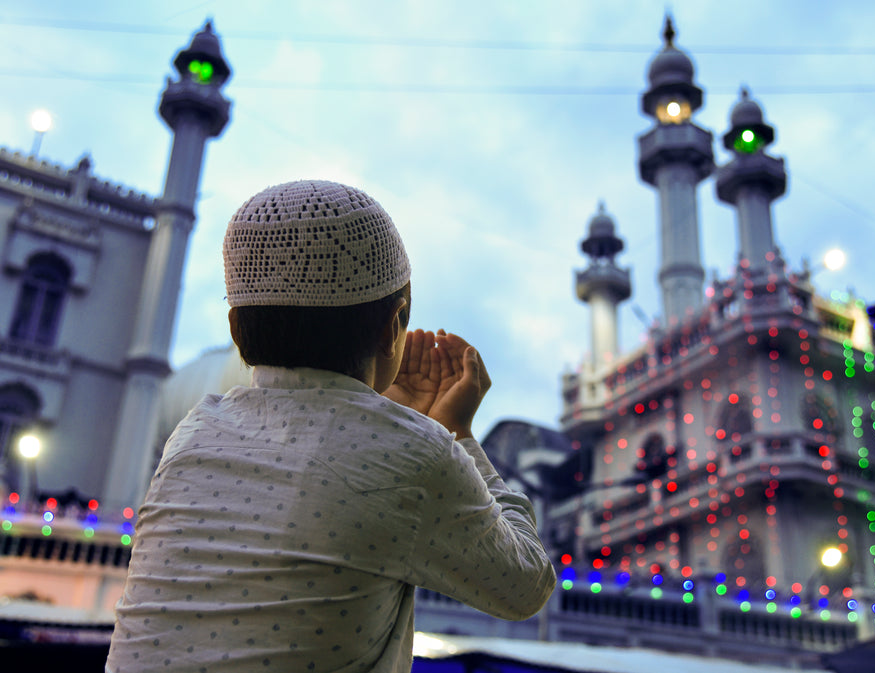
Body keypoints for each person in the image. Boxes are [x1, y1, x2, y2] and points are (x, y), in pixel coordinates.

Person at [105, 180, 556, 672]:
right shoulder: (416, 453)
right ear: (392, 326)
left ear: (237, 331)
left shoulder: (193, 432)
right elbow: (527, 585)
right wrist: (457, 433)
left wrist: (397, 418)